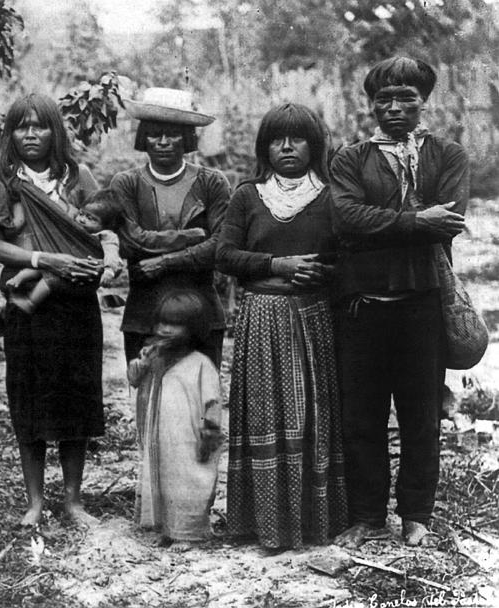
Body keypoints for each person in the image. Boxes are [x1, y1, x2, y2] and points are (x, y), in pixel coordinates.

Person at [330, 57, 469, 548]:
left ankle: (416, 514)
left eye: (406, 97)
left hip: (422, 305)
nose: (394, 108)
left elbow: (450, 219)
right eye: (383, 99)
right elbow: (345, 219)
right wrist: (415, 221)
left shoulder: (446, 155)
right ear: (369, 104)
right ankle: (368, 516)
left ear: (423, 100)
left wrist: (383, 223)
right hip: (362, 307)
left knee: (420, 415)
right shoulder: (351, 159)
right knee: (362, 418)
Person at [217, 103, 347, 549]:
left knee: (310, 415)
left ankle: (313, 522)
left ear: (316, 145)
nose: (287, 147)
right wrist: (278, 264)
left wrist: (322, 274)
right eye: (277, 139)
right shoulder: (247, 196)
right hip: (261, 319)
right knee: (264, 416)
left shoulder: (331, 196)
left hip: (312, 321)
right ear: (264, 147)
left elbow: (345, 259)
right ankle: (261, 522)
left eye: (298, 138)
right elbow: (225, 254)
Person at [0, 93, 104, 526]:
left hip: (75, 304)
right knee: (28, 400)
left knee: (76, 398)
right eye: (21, 126)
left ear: (55, 131)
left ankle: (72, 499)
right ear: (10, 134)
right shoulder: (4, 184)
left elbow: (96, 233)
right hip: (26, 307)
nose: (31, 134)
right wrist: (43, 260)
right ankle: (34, 501)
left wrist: (77, 261)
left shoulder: (77, 177)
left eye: (40, 125)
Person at [110, 87, 231, 367]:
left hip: (201, 314)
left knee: (199, 400)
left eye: (173, 134)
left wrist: (164, 262)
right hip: (145, 316)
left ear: (187, 138)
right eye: (154, 133)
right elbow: (129, 243)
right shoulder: (126, 183)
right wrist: (190, 238)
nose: (163, 142)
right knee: (148, 401)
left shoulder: (211, 182)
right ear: (143, 138)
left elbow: (221, 245)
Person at [126, 291, 224, 547]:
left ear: (194, 328)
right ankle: (168, 530)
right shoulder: (154, 357)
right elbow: (134, 381)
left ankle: (189, 534)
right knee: (164, 480)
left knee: (190, 481)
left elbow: (212, 401)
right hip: (162, 437)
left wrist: (210, 432)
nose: (166, 330)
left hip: (191, 439)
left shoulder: (201, 363)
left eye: (175, 324)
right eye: (162, 323)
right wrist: (141, 364)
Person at [6, 188, 125, 313]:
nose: (82, 219)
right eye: (82, 213)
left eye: (91, 218)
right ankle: (17, 279)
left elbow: (112, 254)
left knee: (50, 280)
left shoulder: (106, 235)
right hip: (64, 262)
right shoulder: (74, 226)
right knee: (41, 266)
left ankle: (31, 302)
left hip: (81, 274)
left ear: (107, 225)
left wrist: (109, 271)